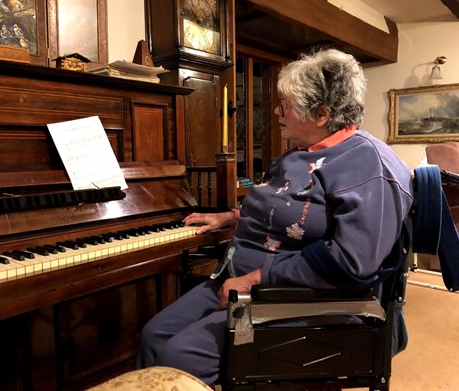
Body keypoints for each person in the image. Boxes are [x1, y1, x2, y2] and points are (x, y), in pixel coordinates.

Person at [136, 49, 414, 385]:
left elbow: (349, 263)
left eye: (287, 104)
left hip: (300, 298)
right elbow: (286, 208)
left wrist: (255, 279)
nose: (277, 111)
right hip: (241, 281)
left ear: (322, 113)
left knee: (178, 357)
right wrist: (231, 216)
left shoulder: (368, 166)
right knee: (153, 336)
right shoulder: (298, 153)